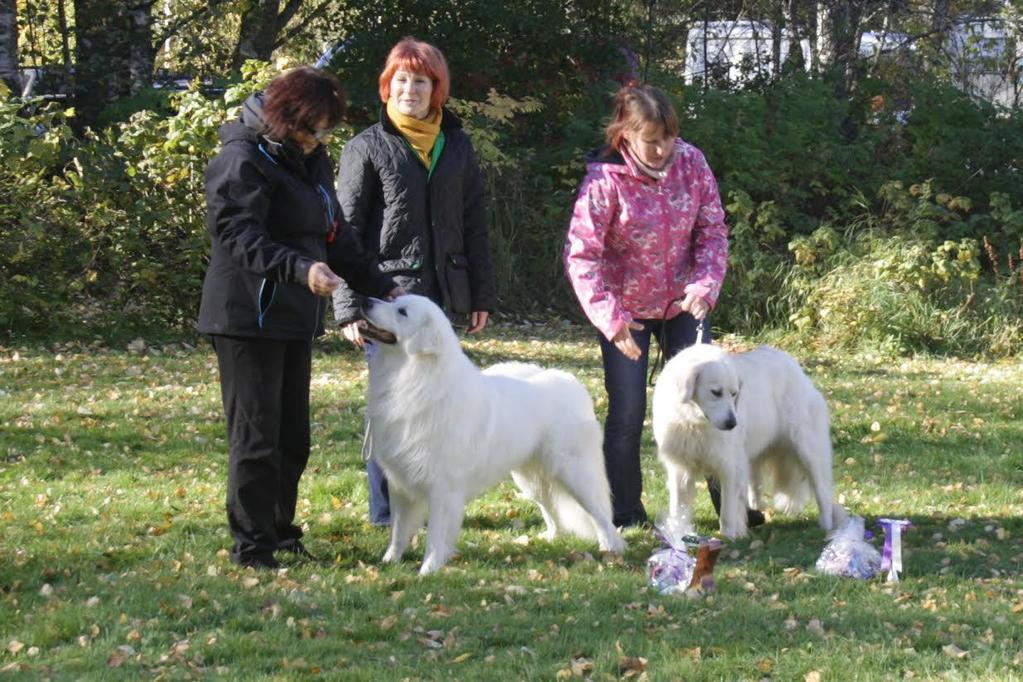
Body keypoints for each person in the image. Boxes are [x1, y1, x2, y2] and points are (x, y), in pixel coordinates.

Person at [198, 67, 399, 569]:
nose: (320, 140)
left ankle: (282, 533)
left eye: (327, 130)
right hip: (246, 317)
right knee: (256, 437)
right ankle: (253, 546)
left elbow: (337, 237)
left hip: (293, 318)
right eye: (314, 129)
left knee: (293, 437)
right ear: (286, 120)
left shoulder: (310, 161)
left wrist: (386, 288)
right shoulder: (240, 159)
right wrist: (299, 268)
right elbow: (237, 235)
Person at [564, 84, 763, 529]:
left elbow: (713, 230)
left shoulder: (693, 163)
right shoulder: (603, 179)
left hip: (684, 306)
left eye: (667, 138)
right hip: (626, 313)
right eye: (649, 140)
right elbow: (582, 255)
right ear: (625, 136)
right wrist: (610, 319)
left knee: (714, 400)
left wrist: (706, 285)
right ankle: (626, 514)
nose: (660, 150)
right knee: (628, 411)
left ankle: (732, 508)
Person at [332, 37, 496, 527]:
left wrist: (480, 294)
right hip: (385, 300)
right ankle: (387, 512)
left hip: (445, 296)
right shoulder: (365, 146)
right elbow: (342, 231)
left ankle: (432, 502)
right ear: (387, 87)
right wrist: (347, 306)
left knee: (439, 404)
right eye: (400, 79)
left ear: (436, 89)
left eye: (420, 81)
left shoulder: (457, 144)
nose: (409, 89)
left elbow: (474, 224)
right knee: (392, 407)